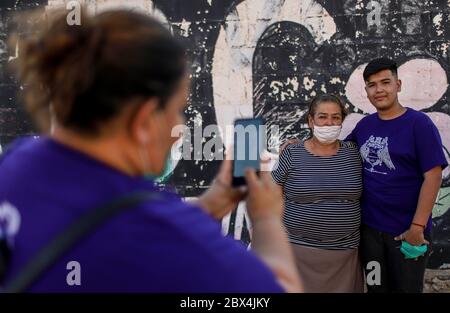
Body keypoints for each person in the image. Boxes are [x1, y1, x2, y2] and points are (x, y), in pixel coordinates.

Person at [0, 9, 301, 292]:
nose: (180, 128)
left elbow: (117, 236)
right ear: (144, 120)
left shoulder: (17, 162)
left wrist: (216, 200)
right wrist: (266, 220)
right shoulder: (152, 229)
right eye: (177, 111)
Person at [345, 58, 448, 292]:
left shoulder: (418, 124)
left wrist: (417, 227)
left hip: (407, 233)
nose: (379, 89)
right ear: (367, 91)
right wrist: (301, 145)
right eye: (372, 85)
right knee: (375, 289)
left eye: (385, 82)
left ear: (398, 85)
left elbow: (433, 177)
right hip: (370, 232)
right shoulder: (364, 126)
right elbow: (339, 153)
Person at [272, 94, 364, 292]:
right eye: (322, 117)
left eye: (336, 117)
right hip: (298, 252)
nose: (329, 122)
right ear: (311, 121)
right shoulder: (292, 153)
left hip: (344, 254)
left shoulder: (354, 153)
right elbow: (274, 191)